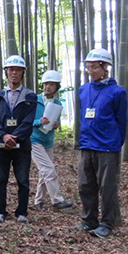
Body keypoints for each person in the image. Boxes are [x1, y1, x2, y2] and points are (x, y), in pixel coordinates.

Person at [75, 48, 127, 238]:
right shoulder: (84, 90)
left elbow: (122, 123)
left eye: (94, 67)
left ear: (105, 67)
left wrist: (114, 143)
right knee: (85, 185)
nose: (90, 71)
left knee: (107, 187)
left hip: (107, 147)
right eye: (88, 67)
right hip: (87, 144)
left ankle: (107, 223)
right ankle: (89, 220)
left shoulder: (117, 92)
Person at [0, 55, 37, 224]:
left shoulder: (30, 96)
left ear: (23, 73)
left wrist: (15, 137)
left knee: (22, 180)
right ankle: (0, 211)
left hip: (21, 145)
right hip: (1, 145)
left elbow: (28, 121)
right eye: (11, 70)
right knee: (0, 180)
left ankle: (22, 212)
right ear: (6, 73)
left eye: (18, 70)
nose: (14, 73)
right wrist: (3, 135)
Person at [31, 70, 73, 211]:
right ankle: (57, 200)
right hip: (34, 140)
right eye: (46, 84)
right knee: (48, 169)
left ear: (56, 87)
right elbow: (26, 121)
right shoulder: (34, 100)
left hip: (48, 140)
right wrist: (39, 121)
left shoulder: (57, 103)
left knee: (44, 171)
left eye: (52, 84)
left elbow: (57, 122)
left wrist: (56, 125)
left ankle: (38, 201)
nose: (48, 87)